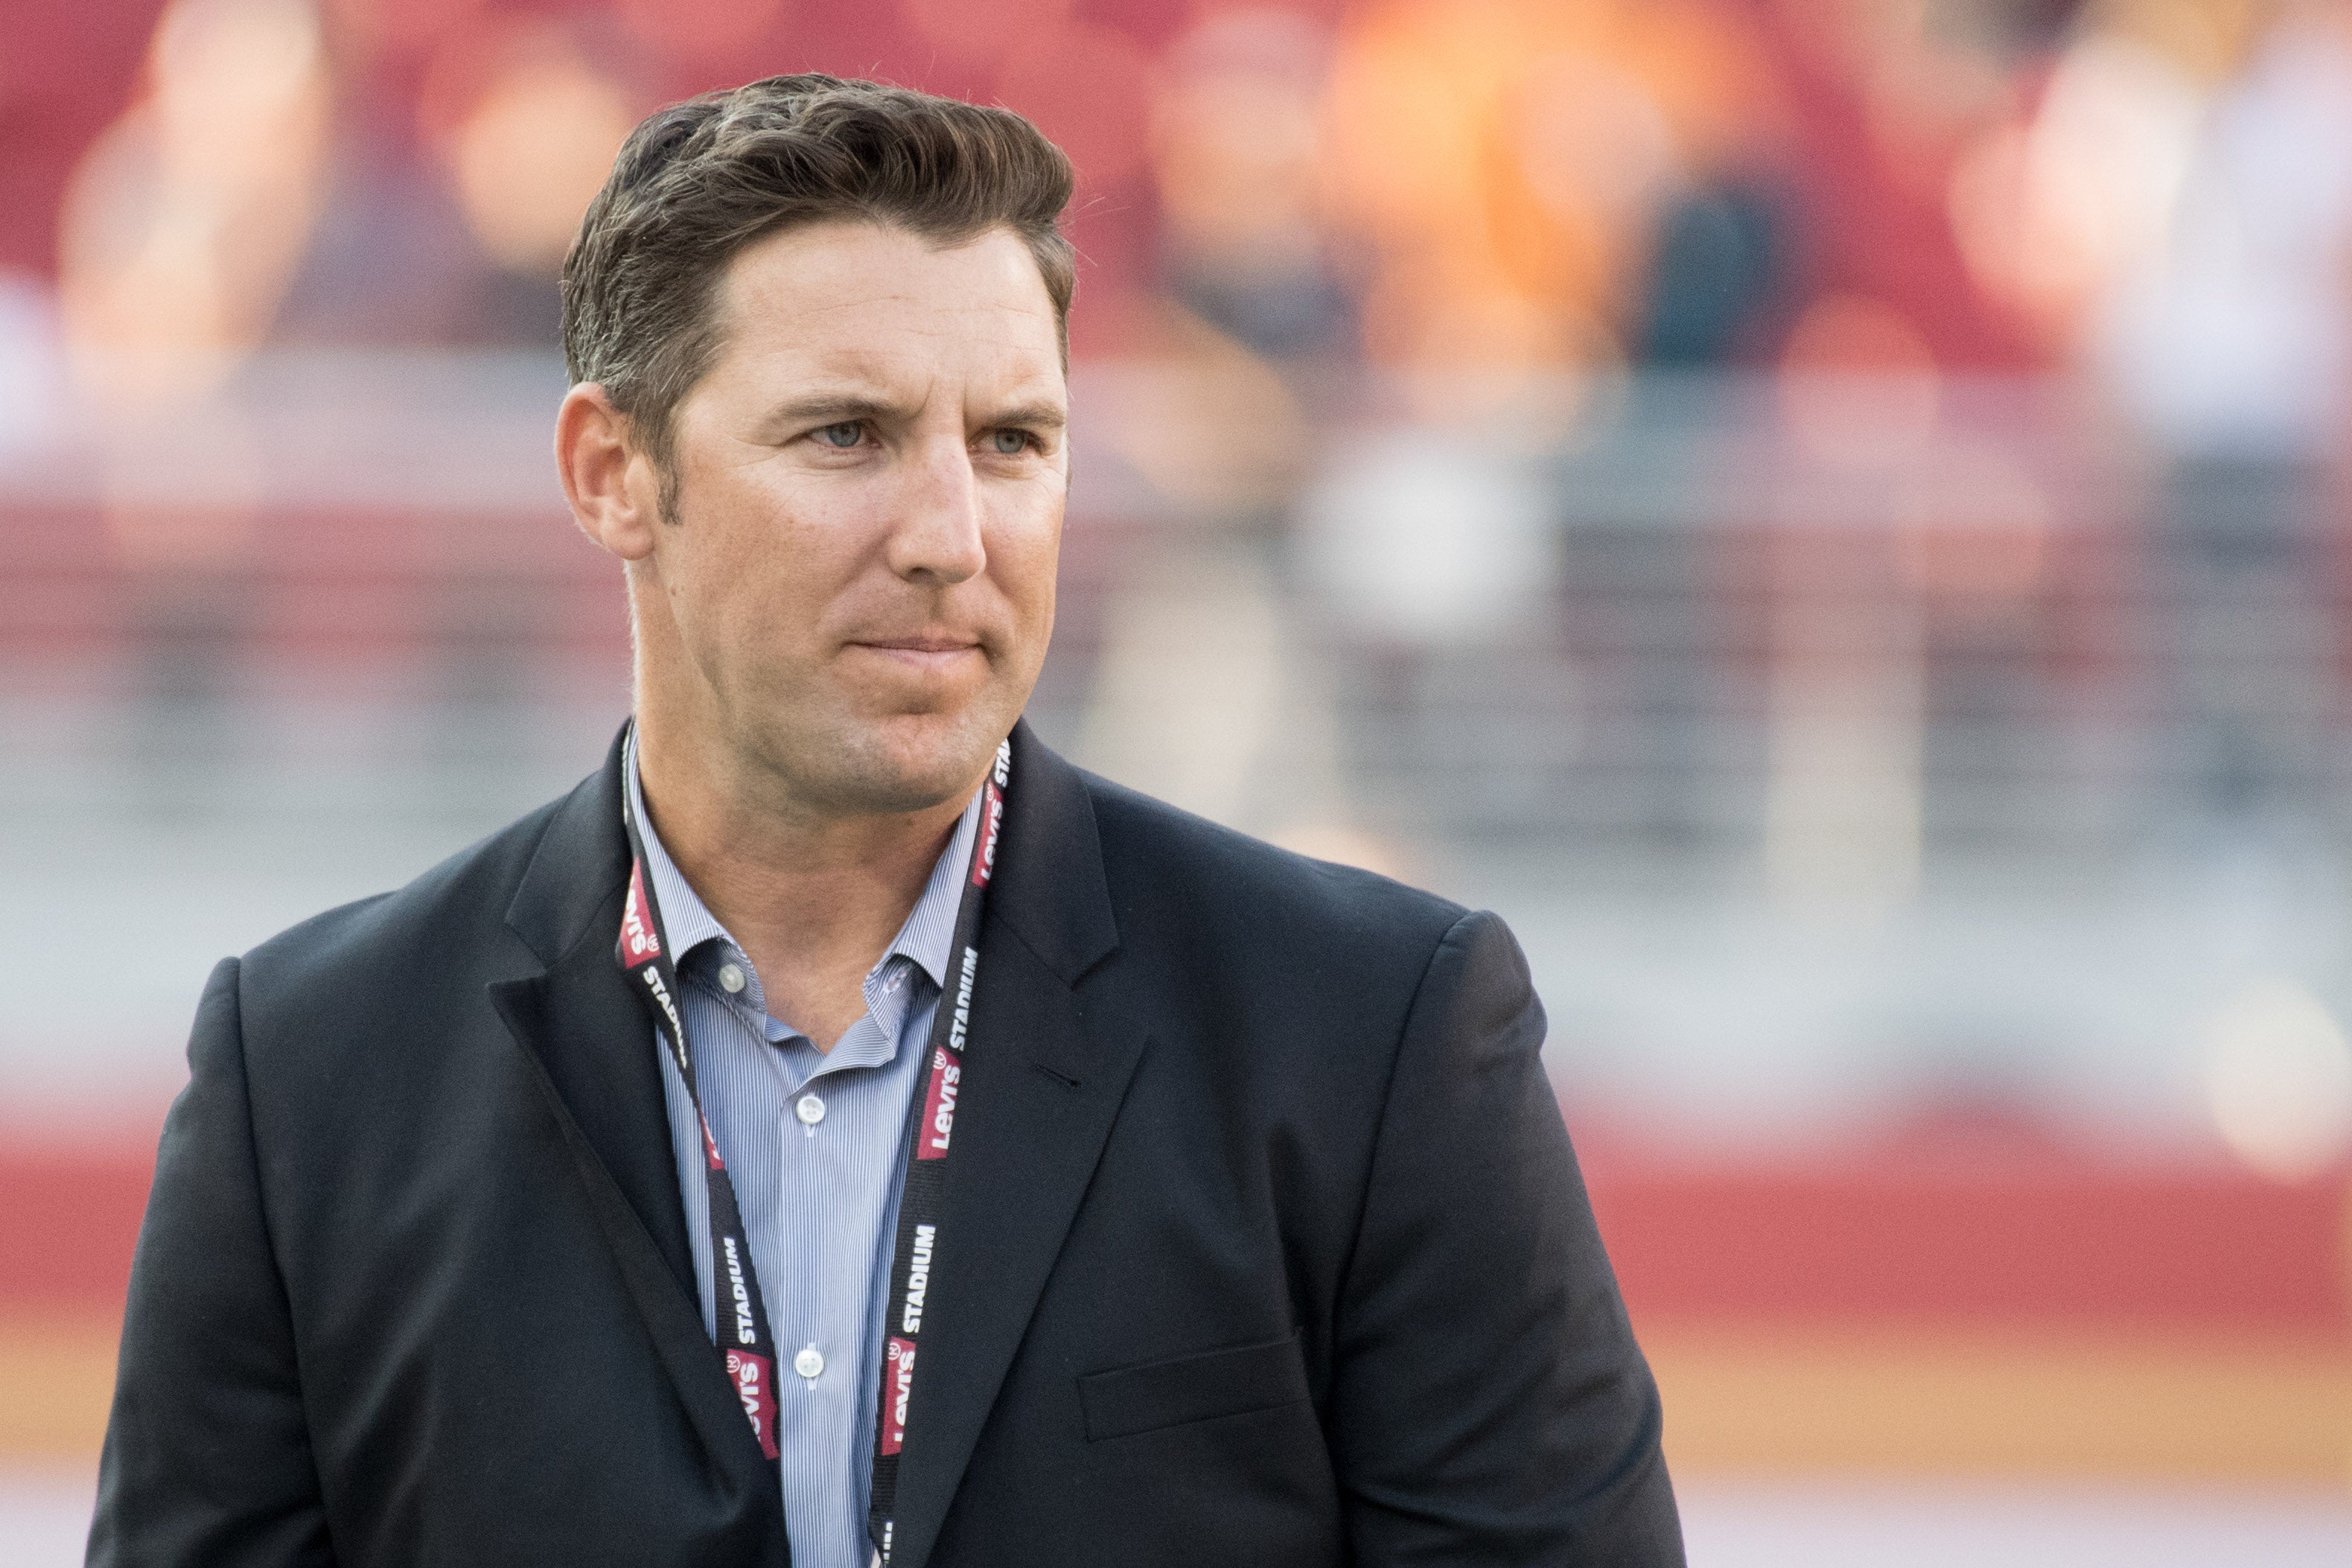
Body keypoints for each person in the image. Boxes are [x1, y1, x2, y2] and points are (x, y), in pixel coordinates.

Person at [89, 76, 1682, 1568]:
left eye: (1012, 443)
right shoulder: (307, 1079)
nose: (949, 534)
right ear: (612, 474)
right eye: (844, 434)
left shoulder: (1374, 1036)